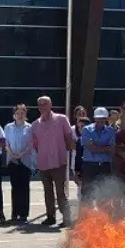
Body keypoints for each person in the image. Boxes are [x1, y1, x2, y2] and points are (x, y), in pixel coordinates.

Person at [30, 95, 76, 227]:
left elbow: (69, 138)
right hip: (43, 163)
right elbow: (35, 145)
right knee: (47, 191)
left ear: (51, 105)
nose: (42, 107)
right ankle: (50, 217)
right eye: (40, 105)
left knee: (61, 192)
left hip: (59, 162)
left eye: (45, 104)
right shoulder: (35, 125)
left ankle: (67, 219)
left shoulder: (61, 119)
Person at [80, 107, 117, 210]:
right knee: (87, 192)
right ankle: (85, 219)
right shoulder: (87, 129)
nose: (100, 121)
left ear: (106, 119)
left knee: (105, 193)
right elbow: (89, 147)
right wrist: (105, 148)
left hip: (105, 165)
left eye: (102, 119)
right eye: (98, 119)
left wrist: (96, 147)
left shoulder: (110, 131)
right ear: (94, 118)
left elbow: (112, 149)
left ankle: (104, 219)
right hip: (89, 165)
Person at [3, 103, 34, 222]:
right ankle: (14, 213)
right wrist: (12, 155)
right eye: (18, 113)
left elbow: (31, 144)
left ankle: (23, 214)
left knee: (24, 188)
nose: (20, 115)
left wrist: (20, 155)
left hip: (25, 161)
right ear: (14, 115)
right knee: (14, 188)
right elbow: (6, 143)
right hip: (12, 160)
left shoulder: (30, 127)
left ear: (25, 115)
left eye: (22, 113)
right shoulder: (8, 127)